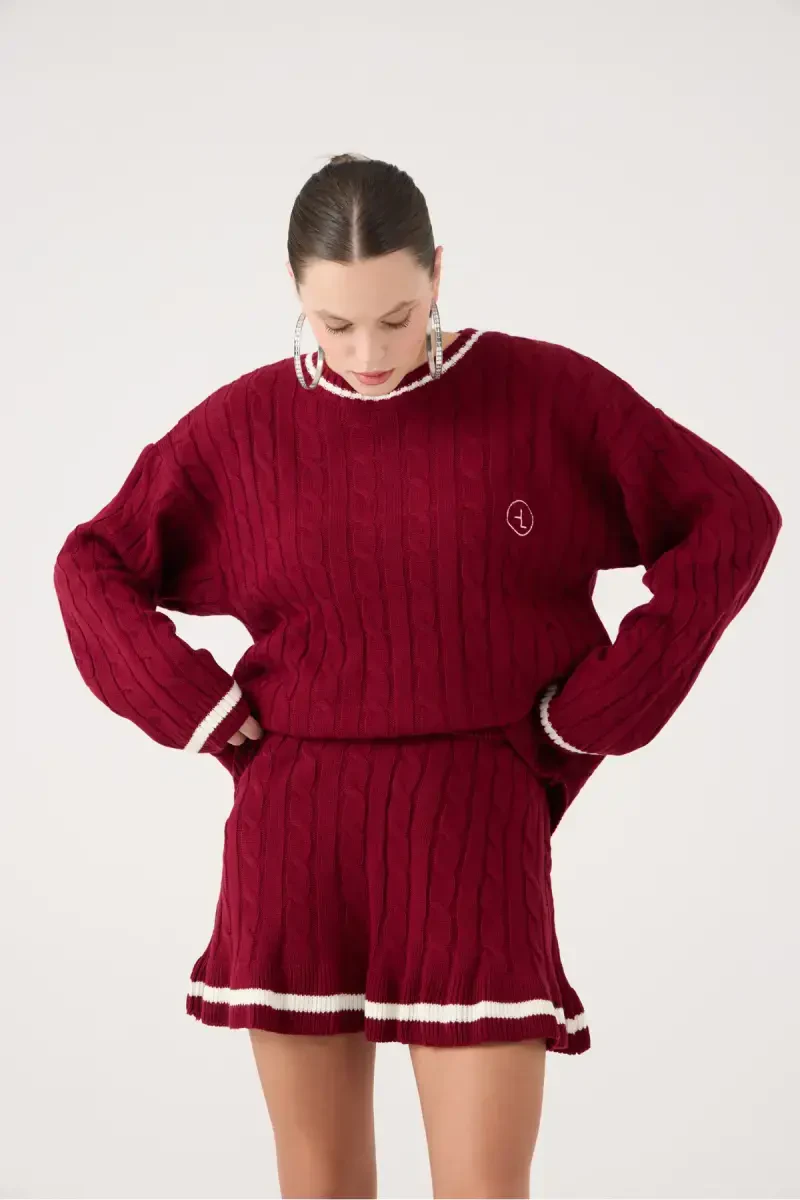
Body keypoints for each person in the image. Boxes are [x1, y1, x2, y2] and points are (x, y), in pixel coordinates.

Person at [52, 151, 782, 1199]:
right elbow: (90, 565)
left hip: (475, 831)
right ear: (295, 292)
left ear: (438, 272)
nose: (367, 353)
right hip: (294, 835)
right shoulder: (243, 427)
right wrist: (197, 708)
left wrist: (602, 711)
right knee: (320, 1187)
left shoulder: (544, 396)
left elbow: (732, 518)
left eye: (396, 318)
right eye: (333, 324)